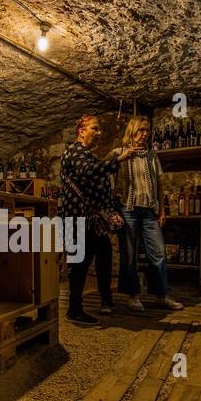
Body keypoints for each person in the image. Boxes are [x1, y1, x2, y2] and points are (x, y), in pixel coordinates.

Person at [59, 114, 137, 325]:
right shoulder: (74, 151)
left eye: (100, 129)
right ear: (81, 131)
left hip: (90, 220)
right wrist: (117, 160)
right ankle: (74, 310)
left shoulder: (86, 154)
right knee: (80, 264)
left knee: (103, 255)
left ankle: (106, 300)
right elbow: (88, 172)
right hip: (76, 219)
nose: (100, 133)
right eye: (95, 128)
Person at [114, 117, 184, 312]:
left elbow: (159, 185)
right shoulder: (119, 153)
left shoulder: (152, 155)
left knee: (159, 253)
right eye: (141, 130)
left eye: (147, 131)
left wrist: (162, 209)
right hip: (127, 210)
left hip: (149, 211)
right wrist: (120, 158)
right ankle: (132, 296)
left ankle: (161, 296)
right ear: (132, 131)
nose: (145, 134)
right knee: (129, 256)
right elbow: (104, 169)